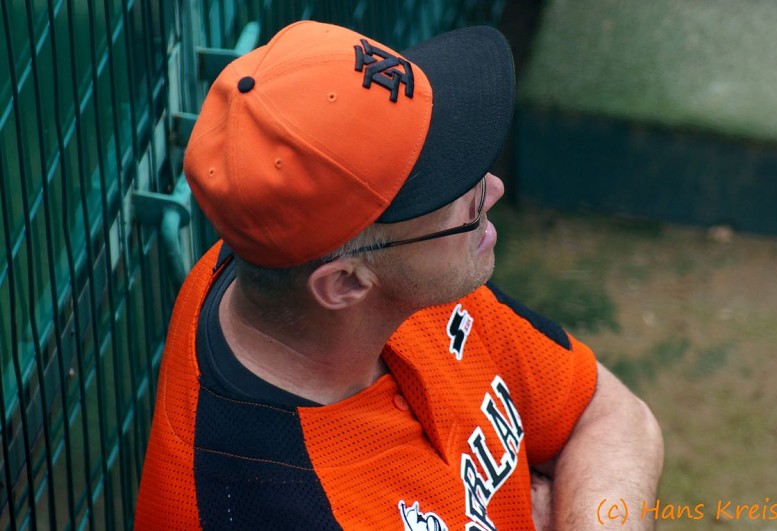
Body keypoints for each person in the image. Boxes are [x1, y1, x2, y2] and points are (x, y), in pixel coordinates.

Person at [135, 20, 663, 530]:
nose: (494, 190)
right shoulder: (278, 504)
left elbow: (611, 416)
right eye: (451, 196)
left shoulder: (314, 262)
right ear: (345, 285)